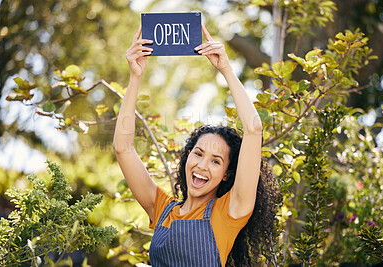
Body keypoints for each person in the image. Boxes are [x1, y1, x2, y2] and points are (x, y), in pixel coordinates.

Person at [113, 24, 280, 266]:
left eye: (216, 161)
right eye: (198, 153)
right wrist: (135, 76)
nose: (202, 165)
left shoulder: (229, 213)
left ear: (226, 175)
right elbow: (123, 148)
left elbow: (254, 130)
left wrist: (225, 69)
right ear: (187, 157)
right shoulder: (162, 210)